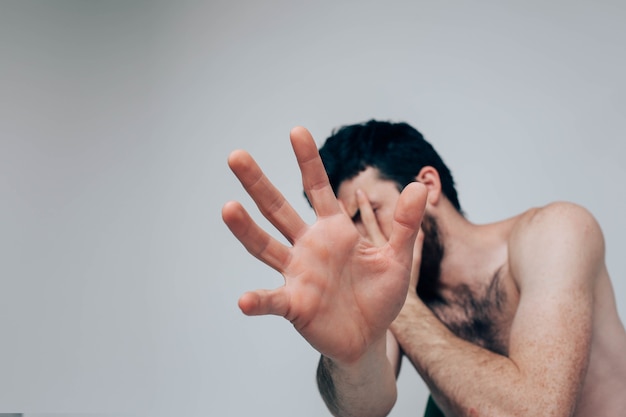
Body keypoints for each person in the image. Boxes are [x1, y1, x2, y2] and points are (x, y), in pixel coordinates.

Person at [222, 120, 626, 417]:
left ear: (427, 186)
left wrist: (407, 308)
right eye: (348, 228)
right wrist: (348, 357)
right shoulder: (382, 294)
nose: (360, 241)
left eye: (368, 212)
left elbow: (537, 412)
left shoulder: (554, 231)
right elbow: (362, 408)